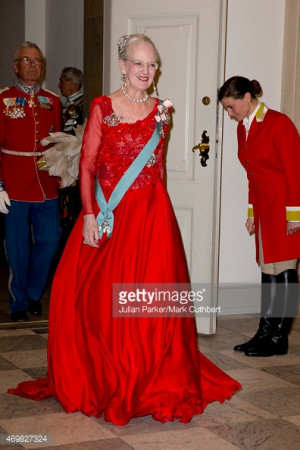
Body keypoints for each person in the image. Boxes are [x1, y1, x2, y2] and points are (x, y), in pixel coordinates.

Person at [8, 34, 241, 424]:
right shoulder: (102, 107)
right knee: (99, 300)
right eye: (138, 63)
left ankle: (153, 374)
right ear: (122, 66)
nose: (146, 72)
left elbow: (159, 166)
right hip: (111, 216)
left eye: (151, 65)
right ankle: (112, 376)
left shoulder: (162, 110)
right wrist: (87, 214)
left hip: (153, 216)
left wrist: (160, 209)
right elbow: (87, 165)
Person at [218, 76, 300, 357]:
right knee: (268, 270)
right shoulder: (244, 128)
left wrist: (295, 214)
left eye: (231, 107)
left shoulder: (279, 123)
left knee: (286, 269)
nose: (230, 114)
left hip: (286, 207)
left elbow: (294, 172)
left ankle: (280, 337)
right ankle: (265, 332)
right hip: (265, 208)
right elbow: (252, 175)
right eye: (227, 109)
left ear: (247, 98)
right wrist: (252, 211)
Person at [0, 41, 61, 322]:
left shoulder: (53, 100)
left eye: (37, 60)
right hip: (13, 181)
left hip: (46, 181)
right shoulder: (3, 99)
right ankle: (19, 302)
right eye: (26, 60)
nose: (33, 64)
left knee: (50, 240)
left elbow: (59, 142)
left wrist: (64, 170)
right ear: (16, 66)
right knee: (17, 246)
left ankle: (35, 293)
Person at [57, 67, 84, 248]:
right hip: (64, 165)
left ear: (72, 83)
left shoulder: (81, 105)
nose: (59, 85)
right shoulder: (66, 105)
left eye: (62, 81)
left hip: (75, 167)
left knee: (73, 209)